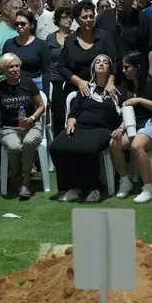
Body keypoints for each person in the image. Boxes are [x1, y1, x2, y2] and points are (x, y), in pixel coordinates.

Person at [50, 54, 123, 203]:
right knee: (56, 146)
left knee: (87, 149)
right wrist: (70, 124)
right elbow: (73, 113)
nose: (101, 64)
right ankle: (72, 187)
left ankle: (94, 187)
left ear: (110, 69)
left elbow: (125, 114)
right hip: (80, 126)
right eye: (97, 62)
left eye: (105, 62)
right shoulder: (86, 89)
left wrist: (120, 128)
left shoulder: (117, 91)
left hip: (102, 129)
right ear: (93, 68)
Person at [0, 53, 45, 200]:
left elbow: (41, 106)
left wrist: (32, 118)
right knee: (14, 146)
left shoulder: (28, 83)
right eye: (11, 67)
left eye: (17, 66)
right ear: (4, 71)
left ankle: (25, 182)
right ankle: (16, 175)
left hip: (31, 125)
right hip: (9, 128)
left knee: (29, 142)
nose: (15, 69)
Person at [109, 51, 152, 203]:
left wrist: (140, 100)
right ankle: (125, 181)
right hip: (134, 125)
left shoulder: (151, 82)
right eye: (123, 67)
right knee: (114, 143)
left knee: (137, 145)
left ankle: (148, 188)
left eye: (127, 67)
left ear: (138, 67)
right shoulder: (125, 86)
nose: (123, 71)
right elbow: (127, 113)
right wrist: (121, 129)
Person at [95, 0, 152, 76]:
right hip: (109, 73)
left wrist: (151, 76)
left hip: (135, 74)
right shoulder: (103, 17)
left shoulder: (143, 19)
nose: (122, 0)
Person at [59, 1, 119, 98]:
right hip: (78, 88)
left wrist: (110, 82)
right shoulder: (70, 40)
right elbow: (61, 67)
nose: (89, 20)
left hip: (104, 87)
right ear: (77, 20)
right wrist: (79, 82)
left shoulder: (105, 36)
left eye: (91, 16)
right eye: (84, 17)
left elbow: (115, 61)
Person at [2, 9, 50, 94]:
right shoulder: (8, 44)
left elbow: (46, 72)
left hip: (35, 85)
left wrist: (46, 95)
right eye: (17, 24)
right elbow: (4, 67)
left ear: (31, 25)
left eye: (23, 24)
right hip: (13, 85)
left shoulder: (41, 44)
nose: (19, 26)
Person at [45, 7, 74, 137]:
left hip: (72, 79)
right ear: (58, 19)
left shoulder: (76, 36)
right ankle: (58, 140)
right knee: (58, 113)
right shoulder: (50, 38)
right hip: (55, 80)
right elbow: (47, 60)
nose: (69, 19)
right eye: (65, 17)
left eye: (71, 17)